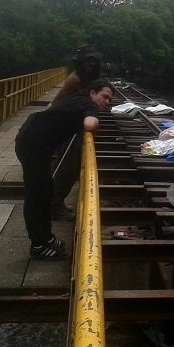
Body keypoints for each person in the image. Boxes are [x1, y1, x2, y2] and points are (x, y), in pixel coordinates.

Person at [15, 79, 114, 260]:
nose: (106, 103)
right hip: (33, 143)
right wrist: (96, 124)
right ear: (93, 93)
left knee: (46, 190)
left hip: (34, 139)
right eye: (104, 97)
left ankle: (46, 238)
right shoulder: (88, 104)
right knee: (36, 195)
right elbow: (90, 125)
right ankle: (38, 246)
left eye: (109, 100)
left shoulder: (78, 99)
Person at [50, 45, 104, 220]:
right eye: (87, 61)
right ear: (80, 62)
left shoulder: (87, 78)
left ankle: (57, 203)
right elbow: (58, 101)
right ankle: (53, 206)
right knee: (65, 167)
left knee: (72, 168)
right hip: (65, 124)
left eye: (93, 61)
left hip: (73, 123)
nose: (90, 64)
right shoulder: (75, 79)